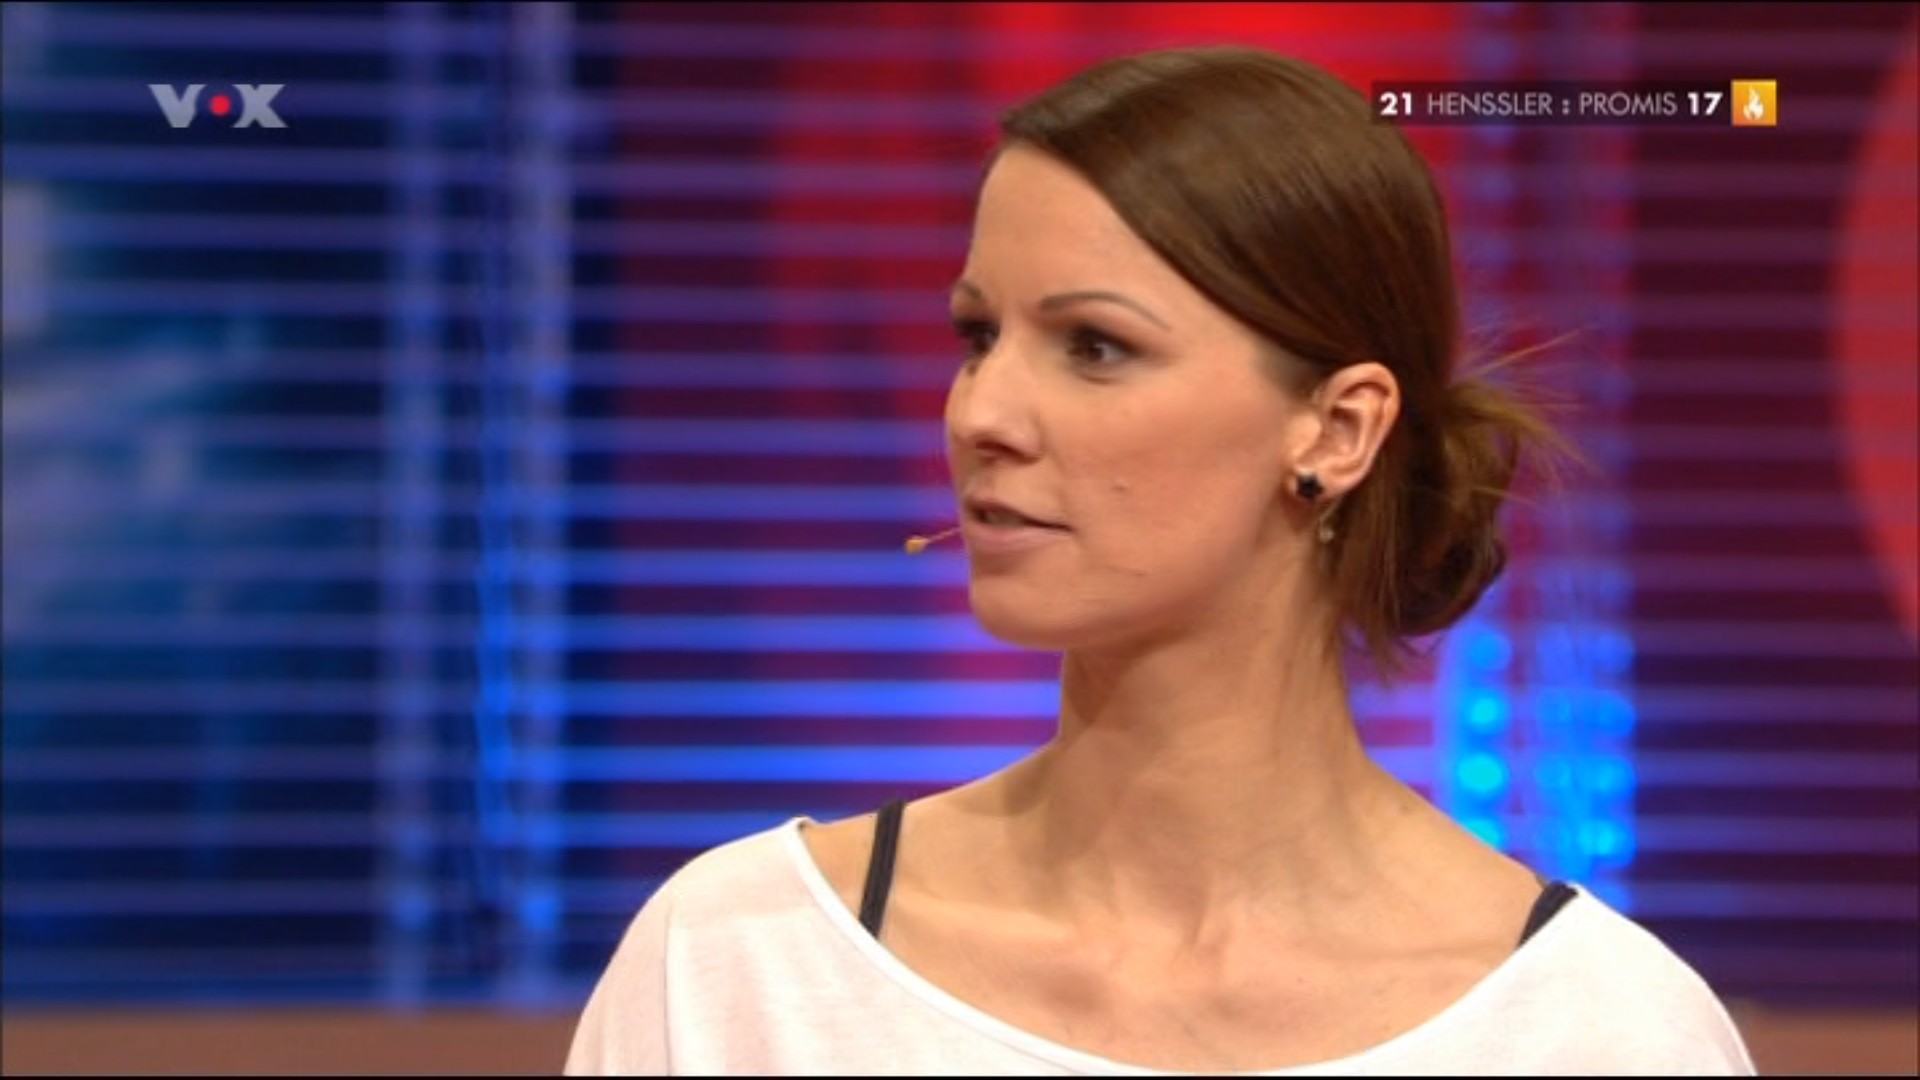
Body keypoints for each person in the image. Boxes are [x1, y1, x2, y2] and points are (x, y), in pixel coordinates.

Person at [565, 45, 1757, 1075]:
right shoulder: (737, 962)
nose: (981, 414)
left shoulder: (1602, 1030)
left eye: (1095, 345)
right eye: (979, 335)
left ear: (1337, 430)